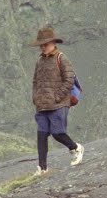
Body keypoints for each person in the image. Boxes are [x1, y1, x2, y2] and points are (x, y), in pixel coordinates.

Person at [29, 26, 85, 175]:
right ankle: (42, 168)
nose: (43, 47)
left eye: (45, 44)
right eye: (41, 44)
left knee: (57, 133)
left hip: (59, 104)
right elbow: (35, 81)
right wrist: (35, 97)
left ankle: (75, 148)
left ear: (53, 43)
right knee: (41, 135)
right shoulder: (39, 61)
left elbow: (69, 79)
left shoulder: (62, 58)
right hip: (42, 105)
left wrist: (57, 97)